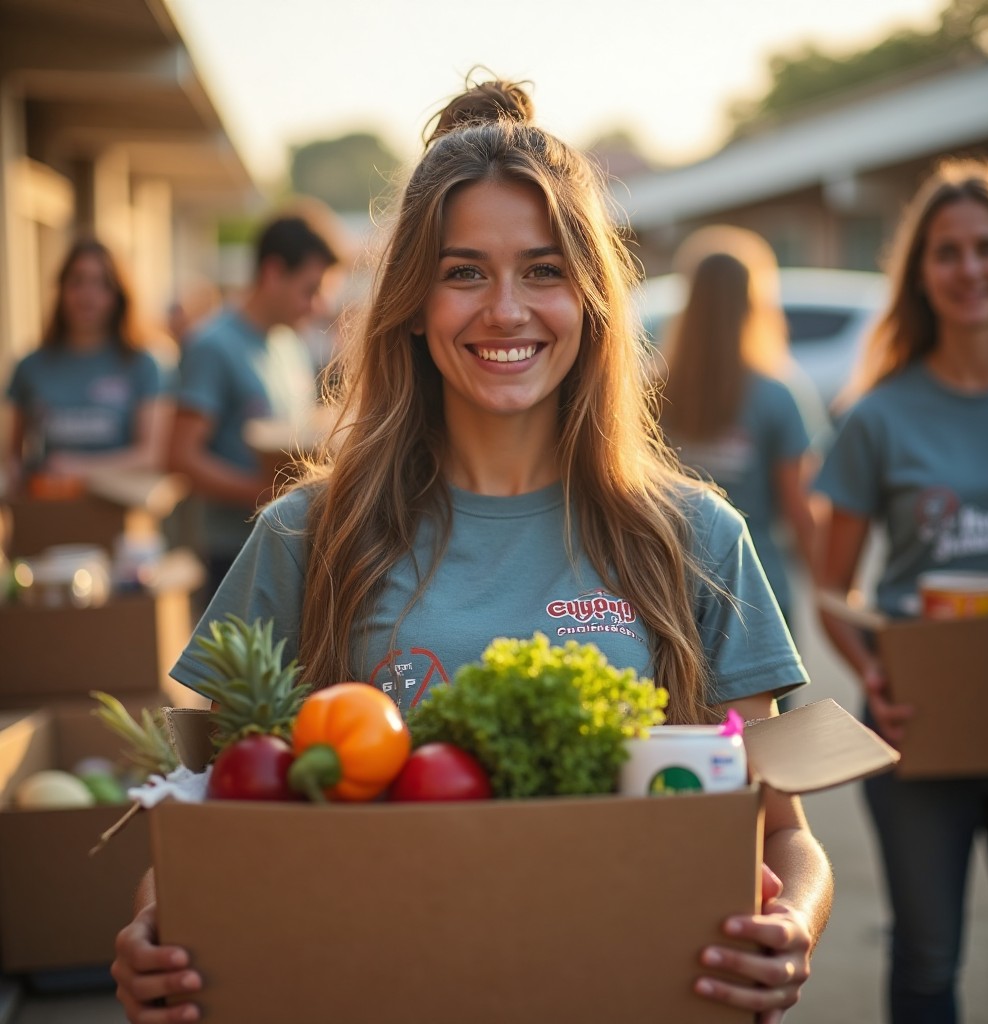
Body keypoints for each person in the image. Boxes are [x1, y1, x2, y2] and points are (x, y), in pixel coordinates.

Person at [112, 81, 833, 1024]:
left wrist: (797, 930)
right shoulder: (305, 537)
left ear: (591, 298)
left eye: (542, 271)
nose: (505, 310)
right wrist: (152, 930)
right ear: (412, 302)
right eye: (463, 273)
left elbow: (785, 835)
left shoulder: (695, 538)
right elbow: (194, 830)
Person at [814, 157, 988, 1023]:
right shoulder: (878, 417)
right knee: (928, 963)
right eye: (948, 252)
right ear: (920, 273)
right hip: (921, 731)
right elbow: (831, 593)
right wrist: (882, 687)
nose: (970, 269)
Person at [657, 225, 825, 649]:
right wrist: (832, 592)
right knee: (767, 720)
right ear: (755, 302)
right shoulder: (776, 394)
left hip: (667, 593)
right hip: (759, 598)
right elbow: (802, 513)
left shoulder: (650, 392)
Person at [167, 209, 341, 595]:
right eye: (309, 290)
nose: (315, 306)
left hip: (290, 540)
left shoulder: (289, 342)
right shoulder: (212, 345)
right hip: (231, 553)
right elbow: (179, 457)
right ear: (273, 272)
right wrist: (263, 494)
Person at [3, 238, 171, 495]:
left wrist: (81, 468)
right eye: (77, 281)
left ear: (119, 294)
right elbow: (10, 457)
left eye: (101, 283)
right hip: (49, 510)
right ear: (61, 289)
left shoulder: (145, 364)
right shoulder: (30, 366)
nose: (87, 295)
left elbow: (152, 456)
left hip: (119, 514)